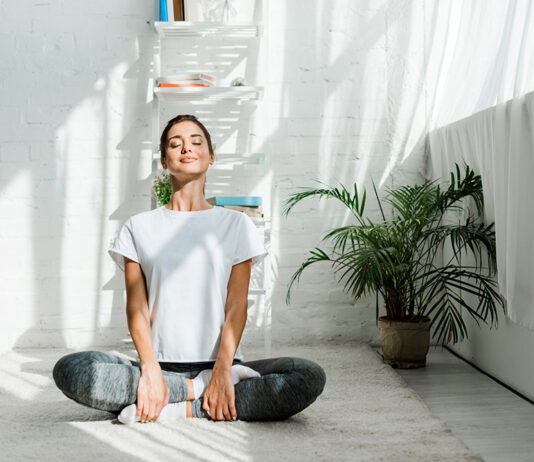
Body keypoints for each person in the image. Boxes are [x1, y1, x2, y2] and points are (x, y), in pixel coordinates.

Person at [52, 114, 327, 424]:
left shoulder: (237, 225)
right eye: (175, 143)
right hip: (159, 364)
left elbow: (236, 306)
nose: (187, 147)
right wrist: (151, 370)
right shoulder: (138, 227)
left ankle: (176, 405)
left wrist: (222, 370)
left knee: (307, 376)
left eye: (197, 142)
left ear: (211, 157)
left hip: (223, 363)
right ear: (164, 161)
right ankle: (198, 391)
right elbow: (137, 309)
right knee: (72, 369)